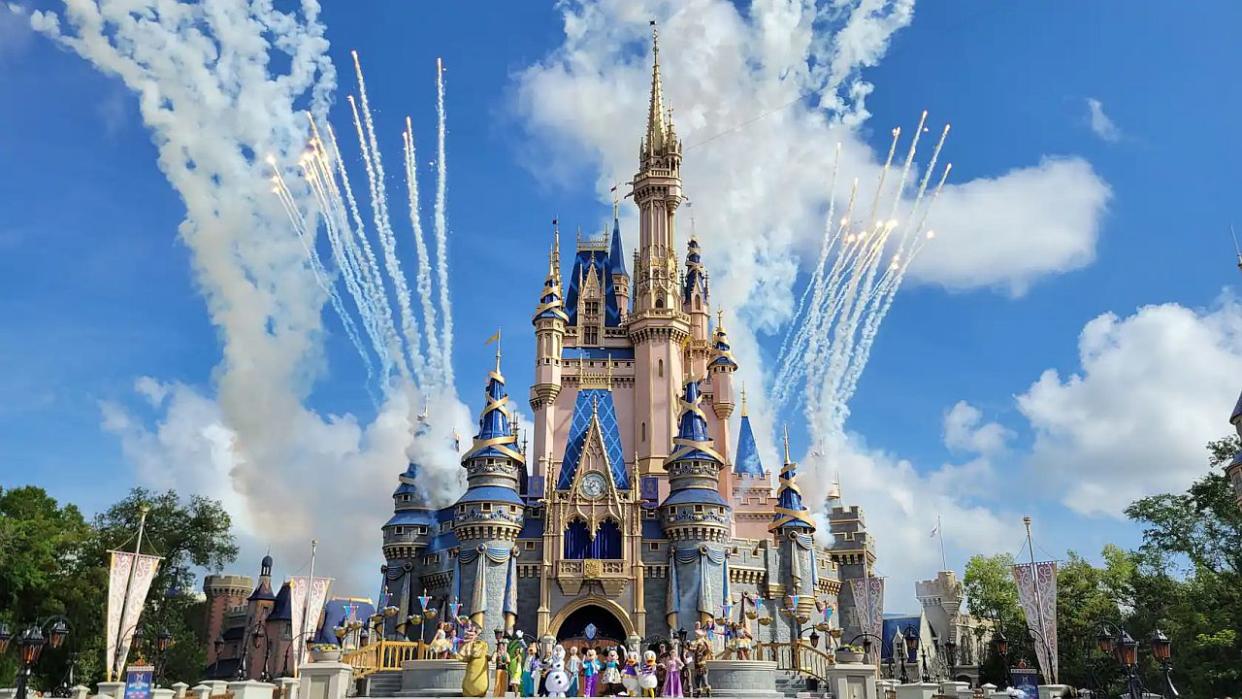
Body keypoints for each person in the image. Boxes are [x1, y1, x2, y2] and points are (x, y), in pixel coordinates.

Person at [456, 622, 492, 698]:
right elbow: (462, 657)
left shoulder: (481, 644)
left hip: (477, 679)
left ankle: (477, 690)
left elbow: (476, 653)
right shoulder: (471, 645)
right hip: (471, 680)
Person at [691, 629, 713, 697]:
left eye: (700, 645)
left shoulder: (704, 652)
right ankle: (699, 694)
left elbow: (709, 649)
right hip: (697, 668)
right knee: (697, 682)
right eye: (698, 646)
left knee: (705, 682)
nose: (698, 647)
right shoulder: (696, 651)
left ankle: (708, 693)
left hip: (702, 668)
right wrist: (686, 645)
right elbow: (690, 649)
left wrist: (705, 642)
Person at [507, 631, 528, 697]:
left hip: (517, 671)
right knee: (514, 685)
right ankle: (514, 696)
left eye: (517, 650)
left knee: (515, 684)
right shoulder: (514, 657)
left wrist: (521, 638)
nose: (516, 651)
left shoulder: (519, 656)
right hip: (513, 672)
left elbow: (524, 647)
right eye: (516, 650)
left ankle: (516, 696)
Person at [492, 633, 511, 697]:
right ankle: (496, 695)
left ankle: (502, 695)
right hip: (498, 669)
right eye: (499, 646)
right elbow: (493, 660)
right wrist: (494, 659)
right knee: (497, 682)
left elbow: (508, 661)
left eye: (502, 646)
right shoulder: (496, 653)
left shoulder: (506, 654)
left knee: (503, 683)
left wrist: (504, 663)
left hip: (504, 669)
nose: (501, 647)